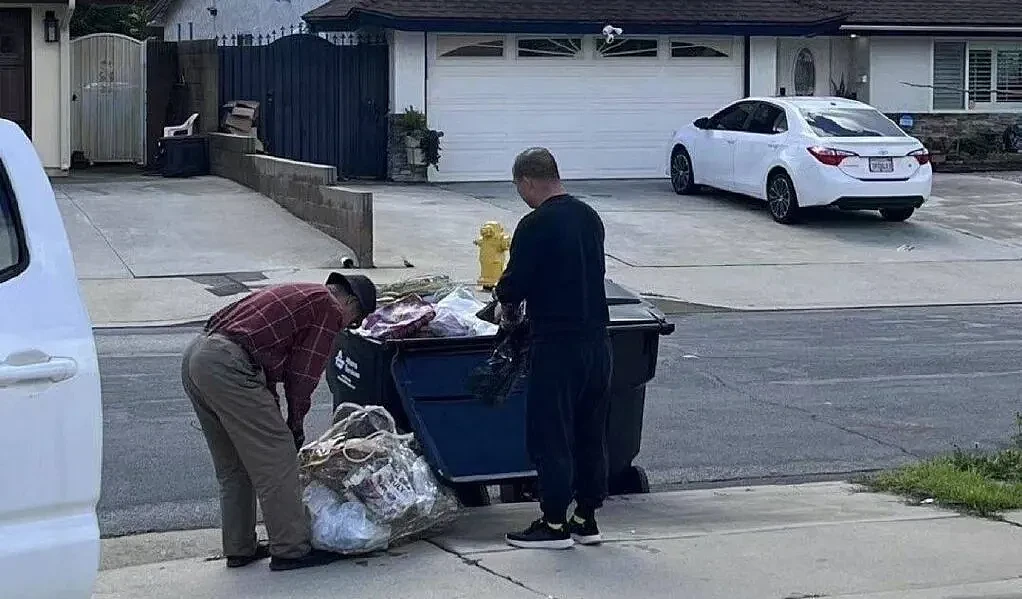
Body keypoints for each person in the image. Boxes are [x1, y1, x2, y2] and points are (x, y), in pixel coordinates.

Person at [181, 273, 376, 570]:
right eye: (355, 320)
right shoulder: (329, 308)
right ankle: (290, 549)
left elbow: (265, 373)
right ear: (349, 302)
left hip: (200, 355)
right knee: (278, 455)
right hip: (228, 364)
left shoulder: (301, 293)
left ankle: (239, 547)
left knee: (234, 465)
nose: (347, 327)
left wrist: (279, 415)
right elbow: (301, 377)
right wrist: (294, 427)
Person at [496, 148, 612, 550]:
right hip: (598, 342)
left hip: (557, 344)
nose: (521, 196)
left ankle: (553, 523)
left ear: (528, 181)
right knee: (590, 431)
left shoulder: (535, 224)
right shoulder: (589, 218)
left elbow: (513, 286)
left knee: (552, 432)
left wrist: (504, 311)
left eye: (519, 188)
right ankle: (586, 518)